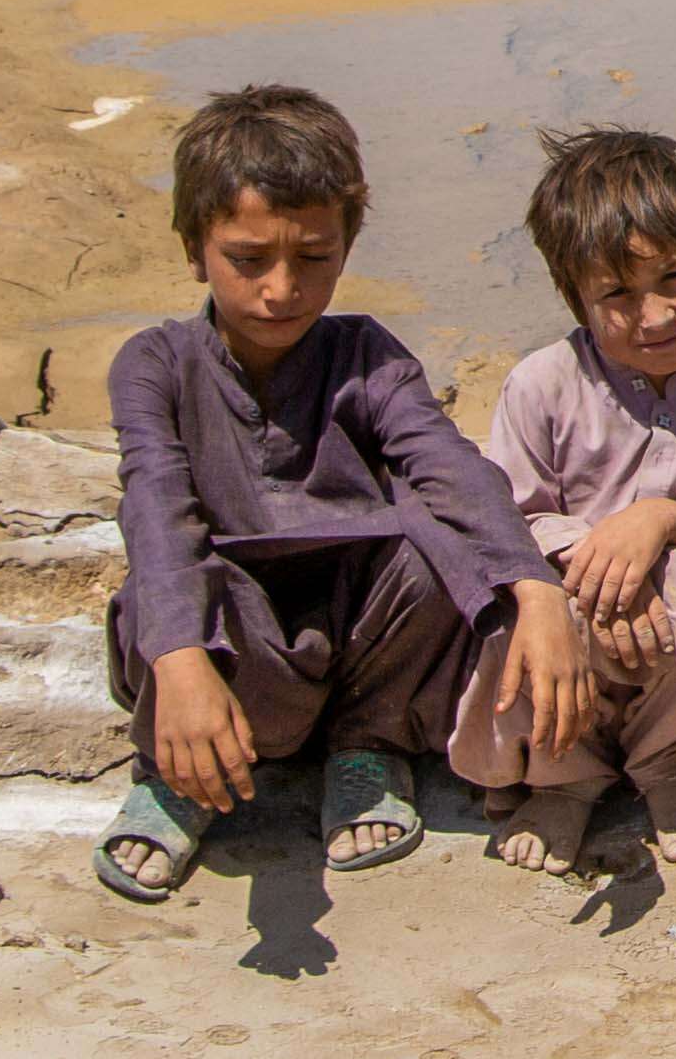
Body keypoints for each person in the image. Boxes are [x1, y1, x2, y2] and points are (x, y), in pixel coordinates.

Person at [96, 85, 555, 901]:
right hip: (228, 637)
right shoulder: (155, 363)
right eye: (249, 259)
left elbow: (449, 464)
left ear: (347, 244)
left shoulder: (366, 352)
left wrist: (537, 589)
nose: (282, 289)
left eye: (313, 258)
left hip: (357, 636)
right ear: (193, 246)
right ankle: (176, 769)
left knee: (433, 542)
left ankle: (367, 742)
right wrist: (181, 662)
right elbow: (157, 508)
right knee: (169, 586)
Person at [451, 130, 676, 873]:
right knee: (518, 613)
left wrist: (662, 521)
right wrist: (595, 567)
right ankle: (564, 774)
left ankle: (672, 759)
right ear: (575, 296)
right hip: (576, 604)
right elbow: (512, 516)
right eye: (617, 294)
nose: (654, 316)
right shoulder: (541, 385)